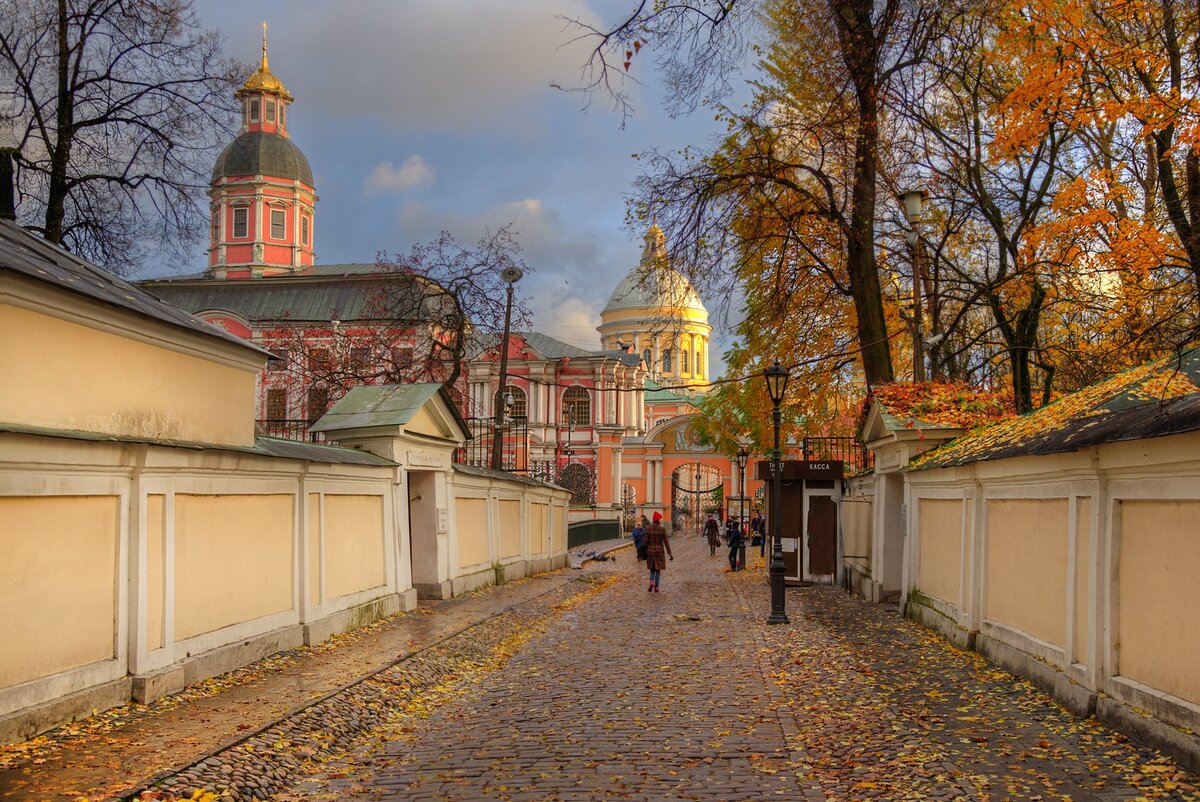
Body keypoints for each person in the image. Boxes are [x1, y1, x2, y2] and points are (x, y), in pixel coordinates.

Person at [644, 511, 673, 592]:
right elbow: (666, 542)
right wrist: (670, 553)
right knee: (658, 570)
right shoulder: (662, 529)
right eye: (660, 518)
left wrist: (644, 551)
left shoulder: (647, 528)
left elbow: (645, 542)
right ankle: (656, 587)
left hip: (650, 551)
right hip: (659, 552)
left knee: (652, 569)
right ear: (657, 519)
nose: (661, 520)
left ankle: (651, 582)